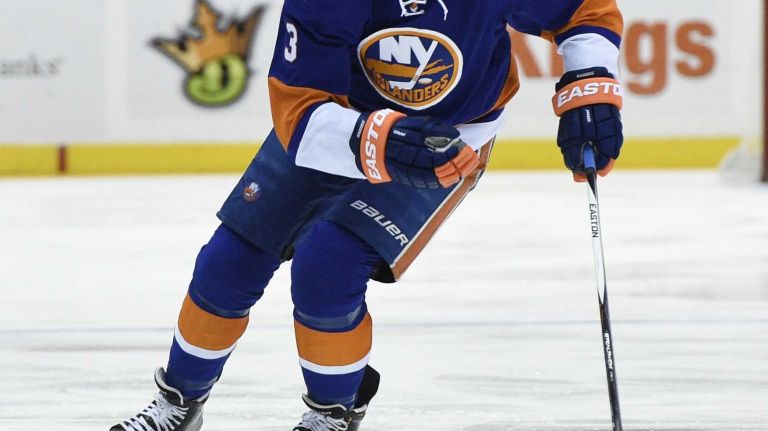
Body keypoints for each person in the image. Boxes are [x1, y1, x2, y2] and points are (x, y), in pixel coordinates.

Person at [110, 0, 624, 430]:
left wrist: (591, 83)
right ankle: (178, 402)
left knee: (327, 266)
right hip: (335, 124)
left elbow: (583, 11)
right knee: (229, 261)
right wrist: (378, 138)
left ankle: (332, 412)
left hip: (452, 141)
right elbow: (299, 105)